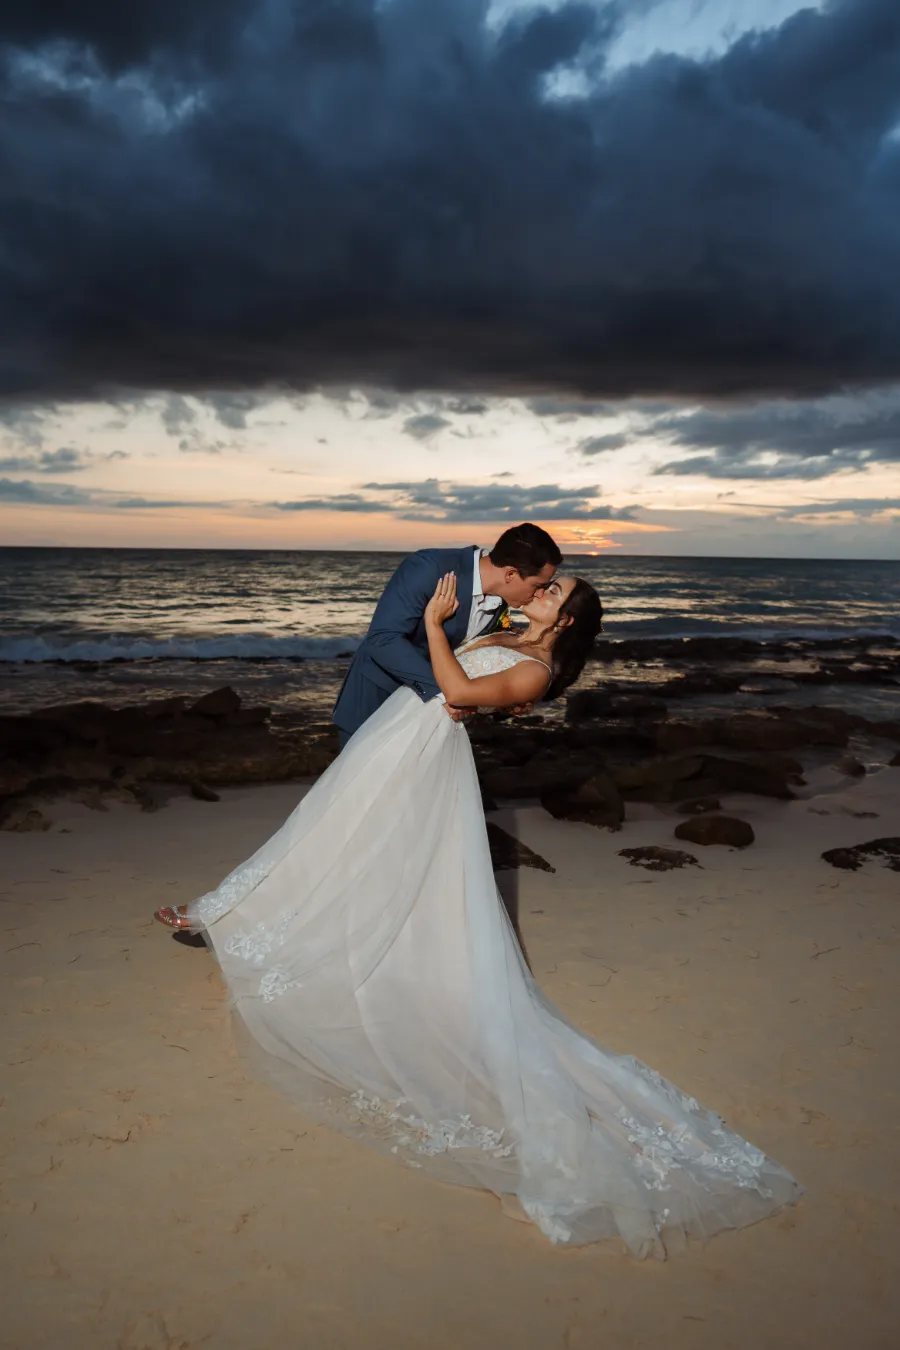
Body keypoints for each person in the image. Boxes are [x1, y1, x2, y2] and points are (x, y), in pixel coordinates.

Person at [154, 565, 801, 1256]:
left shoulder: (537, 671)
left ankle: (233, 914)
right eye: (545, 585)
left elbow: (459, 691)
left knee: (341, 834)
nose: (540, 593)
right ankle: (242, 913)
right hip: (395, 736)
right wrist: (466, 623)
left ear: (567, 621)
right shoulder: (511, 633)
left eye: (553, 593)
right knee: (332, 830)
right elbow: (465, 668)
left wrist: (435, 627)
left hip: (421, 753)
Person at [331, 521, 562, 749]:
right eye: (538, 585)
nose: (539, 594)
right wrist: (445, 693)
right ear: (510, 574)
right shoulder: (429, 568)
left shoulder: (503, 599)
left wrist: (504, 700)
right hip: (376, 704)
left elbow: (474, 658)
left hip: (433, 724)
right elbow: (383, 638)